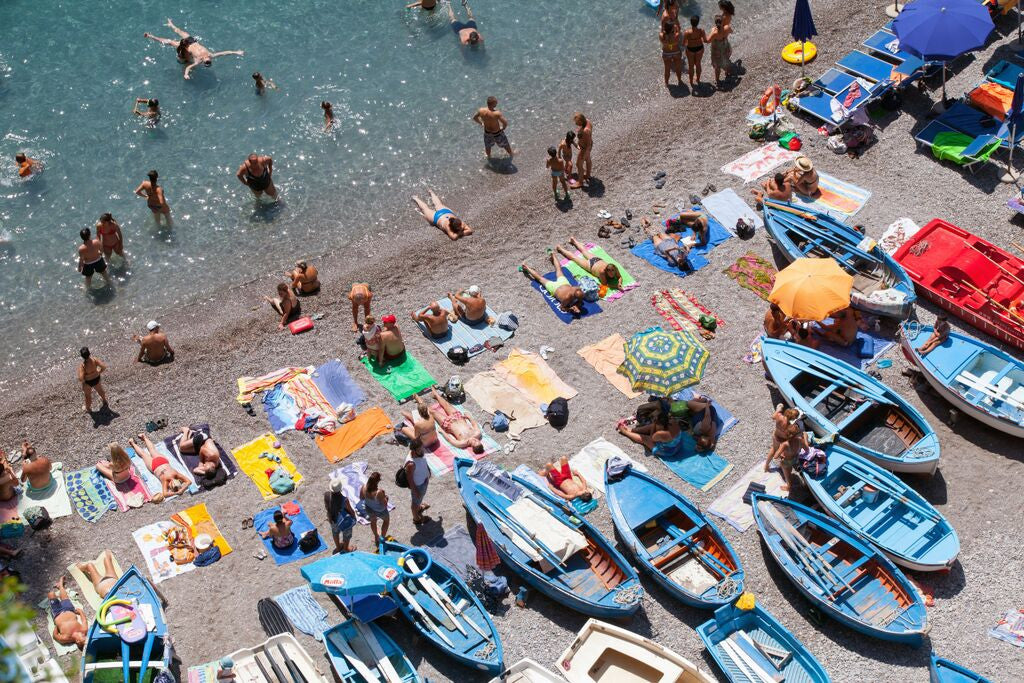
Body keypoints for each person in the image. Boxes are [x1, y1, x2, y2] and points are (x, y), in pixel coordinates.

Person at [144, 18, 244, 80]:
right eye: (208, 62)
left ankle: (154, 34)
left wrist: (236, 52)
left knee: (173, 38)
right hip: (190, 44)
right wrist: (186, 74)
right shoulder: (202, 58)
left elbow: (224, 53)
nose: (208, 60)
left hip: (191, 42)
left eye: (207, 62)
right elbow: (223, 53)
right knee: (175, 42)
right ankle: (166, 26)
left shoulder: (206, 57)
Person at [128, 433, 189, 501]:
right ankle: (143, 437)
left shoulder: (165, 481)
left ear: (170, 486)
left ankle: (134, 443)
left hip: (154, 466)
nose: (173, 482)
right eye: (176, 483)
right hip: (162, 461)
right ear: (178, 481)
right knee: (152, 450)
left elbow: (165, 494)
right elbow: (189, 481)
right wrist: (181, 490)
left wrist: (176, 493)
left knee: (144, 454)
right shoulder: (176, 475)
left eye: (173, 485)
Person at [520, 253, 586, 315]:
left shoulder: (577, 289)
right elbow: (562, 308)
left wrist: (576, 305)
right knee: (540, 279)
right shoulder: (567, 298)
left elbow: (580, 300)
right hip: (555, 288)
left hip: (564, 283)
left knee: (559, 269)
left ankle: (553, 255)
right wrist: (570, 309)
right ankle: (526, 268)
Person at [425, 387, 484, 452]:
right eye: (478, 441)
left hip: (448, 424)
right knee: (446, 405)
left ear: (472, 447)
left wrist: (442, 432)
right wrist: (469, 417)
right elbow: (474, 424)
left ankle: (420, 402)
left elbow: (449, 440)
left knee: (433, 412)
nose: (476, 440)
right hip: (459, 418)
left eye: (475, 443)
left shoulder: (462, 443)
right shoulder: (477, 433)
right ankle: (435, 394)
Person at [556, 236, 622, 289]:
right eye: (610, 272)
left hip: (598, 259)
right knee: (574, 258)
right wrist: (616, 287)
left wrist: (619, 283)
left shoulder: (614, 267)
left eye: (612, 272)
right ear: (606, 271)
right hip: (591, 265)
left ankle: (573, 240)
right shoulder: (602, 272)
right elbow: (604, 284)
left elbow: (619, 277)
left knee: (584, 251)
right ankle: (560, 249)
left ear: (614, 269)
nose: (612, 274)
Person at [48, 578, 88, 649]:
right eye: (85, 636)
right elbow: (84, 620)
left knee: (51, 594)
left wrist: (56, 626)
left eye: (83, 637)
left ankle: (56, 597)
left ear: (78, 641)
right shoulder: (84, 630)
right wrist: (80, 612)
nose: (84, 635)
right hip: (69, 610)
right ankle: (60, 586)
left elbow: (55, 636)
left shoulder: (65, 638)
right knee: (64, 597)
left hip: (57, 613)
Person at [325, 477, 358, 553]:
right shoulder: (344, 499)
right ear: (340, 489)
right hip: (343, 520)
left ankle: (338, 547)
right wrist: (354, 516)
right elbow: (350, 510)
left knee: (335, 533)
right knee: (347, 534)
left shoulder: (327, 495)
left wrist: (329, 517)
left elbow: (327, 507)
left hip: (333, 519)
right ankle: (346, 548)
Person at [359, 471, 390, 549]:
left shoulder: (364, 487)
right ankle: (382, 537)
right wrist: (386, 497)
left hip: (369, 508)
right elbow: (385, 504)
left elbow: (361, 498)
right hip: (380, 510)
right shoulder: (379, 492)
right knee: (386, 521)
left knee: (373, 521)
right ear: (377, 481)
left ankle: (376, 536)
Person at [404, 440, 432, 525]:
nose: (422, 450)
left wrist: (428, 473)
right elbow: (410, 480)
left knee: (418, 500)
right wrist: (415, 491)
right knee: (414, 503)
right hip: (418, 486)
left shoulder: (419, 454)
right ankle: (416, 519)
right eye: (420, 449)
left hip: (423, 482)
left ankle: (419, 507)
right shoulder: (411, 464)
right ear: (413, 450)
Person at [78, 347, 109, 413]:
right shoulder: (94, 360)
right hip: (96, 378)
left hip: (88, 382)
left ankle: (88, 408)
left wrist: (84, 382)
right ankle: (104, 400)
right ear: (89, 353)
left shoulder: (82, 365)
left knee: (88, 396)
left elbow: (81, 378)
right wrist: (99, 372)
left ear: (82, 356)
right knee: (100, 390)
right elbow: (103, 367)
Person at [707, 14, 733, 85]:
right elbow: (731, 31)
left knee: (717, 67)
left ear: (715, 23)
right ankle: (727, 73)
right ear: (723, 21)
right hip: (726, 48)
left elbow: (707, 41)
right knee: (726, 61)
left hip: (717, 51)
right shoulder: (727, 28)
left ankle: (717, 80)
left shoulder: (714, 32)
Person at [683, 15, 707, 87]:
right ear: (698, 22)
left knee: (691, 66)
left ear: (691, 23)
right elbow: (705, 40)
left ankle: (691, 82)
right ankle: (698, 79)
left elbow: (683, 43)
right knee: (698, 64)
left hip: (690, 49)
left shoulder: (687, 32)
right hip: (699, 48)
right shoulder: (701, 31)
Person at [660, 20, 683, 88]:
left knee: (667, 69)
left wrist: (665, 28)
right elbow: (679, 30)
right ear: (672, 28)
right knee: (678, 68)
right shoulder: (676, 35)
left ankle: (667, 83)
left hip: (666, 53)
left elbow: (662, 31)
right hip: (676, 52)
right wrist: (676, 28)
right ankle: (679, 80)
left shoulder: (662, 36)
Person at [574, 113, 593, 188]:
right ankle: (588, 174)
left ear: (581, 121)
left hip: (584, 149)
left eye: (577, 122)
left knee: (578, 164)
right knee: (588, 160)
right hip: (589, 146)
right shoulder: (588, 121)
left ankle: (580, 182)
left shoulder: (585, 131)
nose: (576, 124)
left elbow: (587, 144)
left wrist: (584, 153)